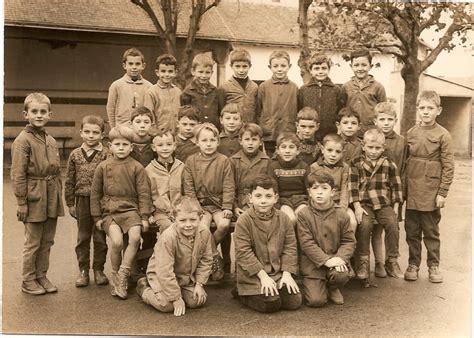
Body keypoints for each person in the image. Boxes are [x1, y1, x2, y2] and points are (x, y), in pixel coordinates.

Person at [90, 125, 153, 299]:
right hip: (110, 210)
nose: (121, 148)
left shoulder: (137, 167)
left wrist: (145, 216)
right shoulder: (103, 167)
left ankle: (124, 275)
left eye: (125, 144)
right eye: (117, 144)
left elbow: (144, 193)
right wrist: (97, 216)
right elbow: (95, 194)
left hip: (131, 209)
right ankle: (116, 274)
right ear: (110, 146)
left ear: (131, 147)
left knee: (134, 238)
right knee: (117, 242)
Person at [11, 93, 64, 295]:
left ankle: (41, 274)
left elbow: (56, 170)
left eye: (43, 112)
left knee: (47, 240)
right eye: (34, 111)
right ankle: (28, 279)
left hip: (51, 195)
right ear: (26, 114)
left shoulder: (50, 139)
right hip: (34, 195)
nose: (39, 115)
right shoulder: (22, 141)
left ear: (50, 114)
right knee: (33, 241)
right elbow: (17, 174)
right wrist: (21, 202)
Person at [404, 90, 454, 283]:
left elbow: (449, 166)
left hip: (431, 191)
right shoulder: (411, 133)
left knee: (431, 231)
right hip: (412, 189)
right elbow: (404, 161)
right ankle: (413, 264)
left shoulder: (443, 135)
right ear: (417, 109)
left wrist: (442, 193)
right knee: (412, 231)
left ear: (438, 110)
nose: (425, 112)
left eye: (430, 108)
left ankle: (433, 265)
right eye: (422, 108)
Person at [234, 174, 302, 313]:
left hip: (276, 273)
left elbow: (290, 247)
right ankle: (242, 291)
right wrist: (263, 277)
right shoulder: (244, 220)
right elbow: (243, 252)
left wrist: (287, 274)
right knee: (272, 304)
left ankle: (273, 288)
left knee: (294, 301)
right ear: (250, 198)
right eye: (258, 196)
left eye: (268, 196)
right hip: (254, 275)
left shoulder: (283, 218)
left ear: (276, 198)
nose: (263, 201)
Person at [136, 196, 213, 316]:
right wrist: (176, 298)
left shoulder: (205, 233)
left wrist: (199, 284)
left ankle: (179, 291)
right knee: (167, 306)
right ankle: (144, 288)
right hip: (161, 275)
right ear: (173, 219)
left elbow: (206, 259)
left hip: (184, 278)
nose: (188, 225)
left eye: (193, 220)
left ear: (200, 218)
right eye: (182, 220)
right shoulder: (168, 237)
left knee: (196, 301)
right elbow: (164, 270)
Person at [182, 123, 235, 281]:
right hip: (200, 206)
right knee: (203, 228)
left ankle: (206, 254)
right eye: (204, 140)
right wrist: (195, 208)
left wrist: (227, 206)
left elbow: (229, 185)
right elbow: (189, 187)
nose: (209, 144)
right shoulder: (191, 161)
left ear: (218, 142)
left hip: (219, 204)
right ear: (197, 142)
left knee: (224, 225)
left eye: (212, 140)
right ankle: (214, 256)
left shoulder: (224, 160)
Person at [348, 129, 403, 280]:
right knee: (365, 225)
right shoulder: (355, 163)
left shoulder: (389, 164)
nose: (373, 151)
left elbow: (396, 186)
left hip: (383, 203)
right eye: (370, 147)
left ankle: (392, 260)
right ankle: (363, 262)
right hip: (364, 204)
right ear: (363, 146)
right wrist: (357, 207)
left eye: (377, 148)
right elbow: (352, 188)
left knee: (392, 223)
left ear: (383, 147)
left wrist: (396, 207)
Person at [297, 171, 356, 307]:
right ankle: (315, 285)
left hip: (336, 260)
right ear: (309, 192)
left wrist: (340, 258)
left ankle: (333, 287)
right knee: (316, 301)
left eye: (324, 188)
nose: (319, 192)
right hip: (313, 264)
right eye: (315, 188)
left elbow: (349, 241)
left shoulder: (342, 214)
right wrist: (325, 260)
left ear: (332, 192)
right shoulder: (303, 214)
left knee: (341, 274)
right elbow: (306, 243)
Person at [65, 115, 109, 288]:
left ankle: (99, 269)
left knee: (100, 237)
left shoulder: (107, 153)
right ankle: (83, 270)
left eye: (95, 132)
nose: (91, 136)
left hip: (100, 201)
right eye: (87, 132)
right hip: (82, 201)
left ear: (102, 135)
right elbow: (69, 180)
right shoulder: (75, 155)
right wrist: (70, 203)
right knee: (83, 237)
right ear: (81, 132)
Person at [371, 101, 409, 278]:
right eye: (382, 119)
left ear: (395, 121)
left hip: (393, 192)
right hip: (373, 194)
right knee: (376, 228)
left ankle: (391, 261)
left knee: (393, 226)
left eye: (390, 119)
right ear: (375, 121)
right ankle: (378, 263)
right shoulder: (370, 138)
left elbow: (401, 171)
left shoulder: (401, 142)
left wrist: (398, 198)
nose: (386, 123)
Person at [310, 133, 356, 231]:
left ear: (343, 152)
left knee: (352, 221)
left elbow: (345, 190)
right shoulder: (315, 167)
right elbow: (314, 190)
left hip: (339, 203)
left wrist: (342, 209)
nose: (333, 155)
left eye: (338, 151)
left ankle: (349, 245)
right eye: (329, 150)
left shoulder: (344, 167)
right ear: (322, 149)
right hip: (321, 204)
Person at [256, 50, 298, 156]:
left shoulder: (294, 88)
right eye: (275, 66)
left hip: (288, 132)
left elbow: (298, 109)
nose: (279, 69)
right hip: (269, 134)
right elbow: (258, 109)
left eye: (283, 66)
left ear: (289, 66)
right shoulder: (263, 87)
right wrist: (264, 127)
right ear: (270, 67)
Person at [297, 53, 346, 141]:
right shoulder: (304, 90)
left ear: (329, 69)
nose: (320, 71)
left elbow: (340, 111)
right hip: (309, 133)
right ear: (310, 71)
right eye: (316, 68)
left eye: (324, 68)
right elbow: (299, 109)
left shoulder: (336, 90)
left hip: (330, 132)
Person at [145, 128, 185, 234]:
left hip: (180, 210)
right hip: (160, 212)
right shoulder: (149, 170)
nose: (165, 148)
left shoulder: (181, 167)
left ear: (174, 146)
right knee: (168, 228)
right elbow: (146, 194)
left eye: (168, 144)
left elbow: (187, 190)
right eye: (160, 145)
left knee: (186, 227)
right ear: (154, 148)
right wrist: (149, 213)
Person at [268, 132, 309, 227]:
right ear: (277, 150)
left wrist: (309, 204)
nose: (287, 151)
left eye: (291, 147)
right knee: (290, 219)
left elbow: (309, 188)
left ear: (298, 150)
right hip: (284, 201)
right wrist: (276, 206)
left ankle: (304, 241)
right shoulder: (274, 167)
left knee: (303, 217)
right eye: (283, 147)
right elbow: (273, 190)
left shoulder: (304, 167)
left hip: (301, 200)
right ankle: (290, 241)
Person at [231, 123, 271, 218]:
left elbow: (270, 187)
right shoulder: (233, 160)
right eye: (247, 139)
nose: (250, 143)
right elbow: (230, 187)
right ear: (240, 141)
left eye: (254, 139)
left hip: (260, 201)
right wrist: (234, 207)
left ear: (261, 142)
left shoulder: (266, 161)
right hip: (240, 202)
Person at [342, 48, 387, 135]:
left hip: (371, 132)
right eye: (356, 65)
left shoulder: (378, 87)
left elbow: (383, 111)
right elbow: (342, 110)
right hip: (351, 131)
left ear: (371, 66)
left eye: (364, 65)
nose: (360, 68)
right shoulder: (346, 87)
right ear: (351, 66)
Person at [107, 48, 152, 127]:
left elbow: (150, 111)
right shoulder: (116, 85)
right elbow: (111, 109)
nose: (134, 67)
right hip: (121, 127)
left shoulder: (149, 86)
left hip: (141, 128)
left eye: (137, 64)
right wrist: (113, 128)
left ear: (143, 66)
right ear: (124, 65)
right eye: (130, 64)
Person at [218, 49, 258, 123]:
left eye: (244, 66)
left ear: (250, 66)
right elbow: (220, 109)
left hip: (250, 127)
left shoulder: (254, 87)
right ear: (231, 66)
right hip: (232, 126)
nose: (241, 70)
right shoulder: (224, 87)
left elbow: (257, 109)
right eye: (237, 66)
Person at [181, 53, 220, 128]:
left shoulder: (216, 91)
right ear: (193, 71)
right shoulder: (187, 92)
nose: (204, 76)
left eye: (207, 72)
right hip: (195, 131)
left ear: (212, 73)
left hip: (213, 130)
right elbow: (184, 115)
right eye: (200, 72)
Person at [144, 54, 182, 130]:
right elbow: (149, 116)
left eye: (170, 71)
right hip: (159, 135)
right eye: (163, 71)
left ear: (175, 72)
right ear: (157, 72)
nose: (167, 74)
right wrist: (154, 132)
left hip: (176, 133)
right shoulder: (151, 92)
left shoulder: (178, 92)